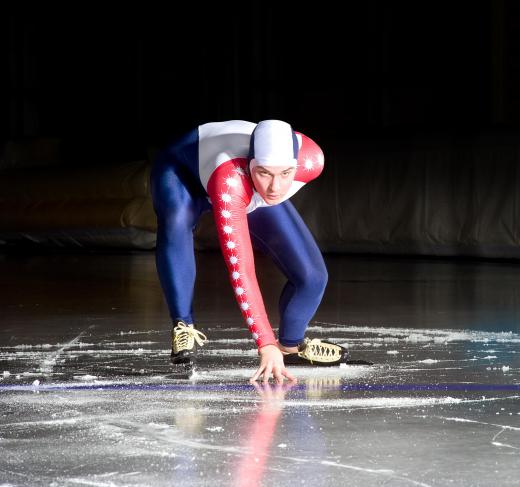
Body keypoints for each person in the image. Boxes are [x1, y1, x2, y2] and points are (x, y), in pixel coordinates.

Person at [150, 120, 348, 383]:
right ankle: (183, 324)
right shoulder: (231, 178)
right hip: (181, 172)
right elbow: (241, 268)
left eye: (286, 173)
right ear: (250, 165)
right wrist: (265, 343)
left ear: (296, 165)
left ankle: (290, 346)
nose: (276, 187)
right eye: (265, 172)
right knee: (176, 221)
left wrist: (275, 346)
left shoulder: (312, 161)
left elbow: (273, 183)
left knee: (312, 277)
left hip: (243, 185)